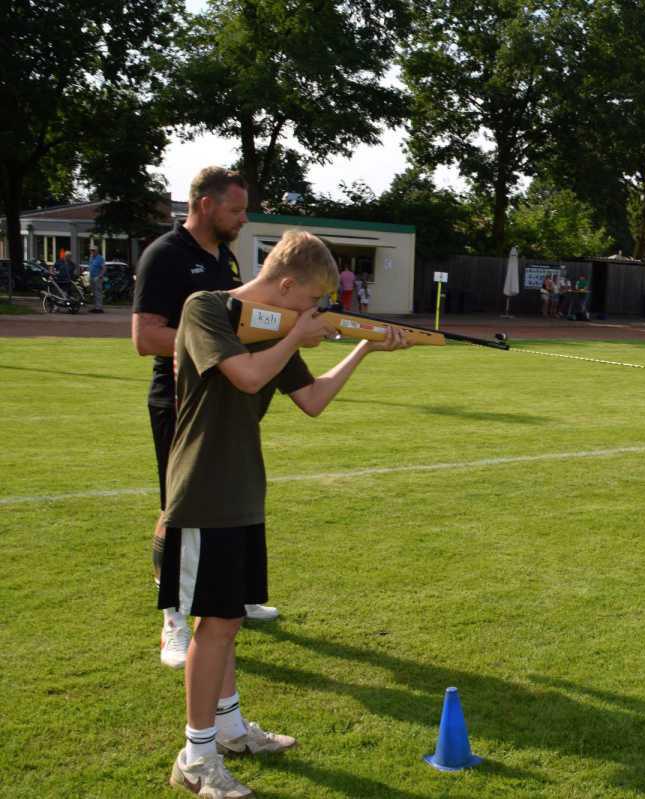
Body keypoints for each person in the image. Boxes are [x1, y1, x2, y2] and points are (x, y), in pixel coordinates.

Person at [159, 229, 410, 797]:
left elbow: (314, 400)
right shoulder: (207, 309)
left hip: (243, 492)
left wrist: (364, 346)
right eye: (311, 302)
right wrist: (296, 333)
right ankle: (196, 757)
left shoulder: (279, 331)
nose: (316, 313)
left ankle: (229, 729)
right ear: (288, 284)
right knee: (213, 624)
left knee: (228, 621)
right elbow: (245, 376)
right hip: (203, 491)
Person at [133, 167, 274, 671]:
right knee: (179, 507)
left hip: (228, 398)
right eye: (236, 210)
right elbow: (144, 336)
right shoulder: (164, 256)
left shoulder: (226, 256)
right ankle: (172, 618)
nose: (242, 219)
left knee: (230, 498)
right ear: (206, 203)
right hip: (179, 401)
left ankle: (232, 596)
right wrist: (208, 345)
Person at [88, 246, 107, 312]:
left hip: (97, 278)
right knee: (93, 293)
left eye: (93, 250)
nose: (92, 252)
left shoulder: (100, 258)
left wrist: (99, 276)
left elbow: (104, 268)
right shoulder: (91, 258)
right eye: (91, 250)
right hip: (91, 277)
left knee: (98, 293)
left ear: (97, 251)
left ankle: (99, 308)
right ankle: (95, 307)